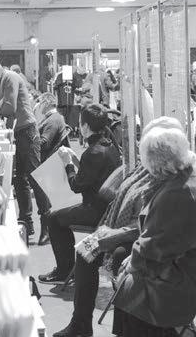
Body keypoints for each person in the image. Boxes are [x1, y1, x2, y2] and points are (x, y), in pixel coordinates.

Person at [52, 117, 181, 337]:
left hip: (143, 237)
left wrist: (111, 235)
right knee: (85, 251)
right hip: (125, 228)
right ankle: (80, 323)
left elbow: (148, 224)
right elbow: (116, 196)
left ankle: (110, 327)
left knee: (119, 257)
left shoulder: (167, 177)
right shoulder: (145, 169)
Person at [111, 125, 196, 337]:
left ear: (155, 163)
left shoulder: (177, 192)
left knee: (129, 290)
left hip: (195, 272)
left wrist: (132, 263)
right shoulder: (186, 179)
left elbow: (153, 248)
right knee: (129, 283)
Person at [38, 104, 122, 284]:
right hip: (107, 208)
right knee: (57, 215)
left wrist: (68, 163)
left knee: (52, 218)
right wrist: (74, 159)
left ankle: (64, 270)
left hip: (96, 211)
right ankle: (66, 268)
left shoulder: (93, 152)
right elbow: (90, 176)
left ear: (85, 126)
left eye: (80, 123)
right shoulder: (109, 146)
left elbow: (76, 185)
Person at [0, 52, 49, 241]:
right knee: (18, 180)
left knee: (34, 178)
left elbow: (10, 108)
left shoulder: (10, 77)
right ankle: (26, 222)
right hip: (12, 133)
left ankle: (48, 223)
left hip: (26, 132)